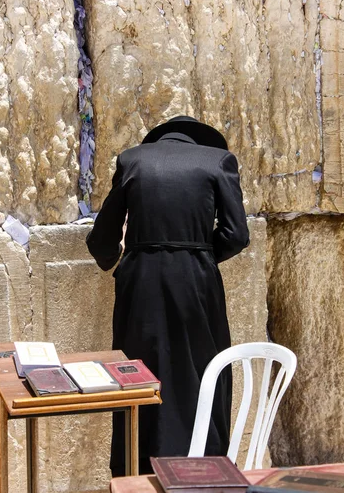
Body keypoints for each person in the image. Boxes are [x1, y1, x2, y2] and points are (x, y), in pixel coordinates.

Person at [86, 115, 249, 476]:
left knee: (137, 375)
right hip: (196, 285)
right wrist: (199, 255)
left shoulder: (132, 160)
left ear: (159, 141)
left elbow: (102, 237)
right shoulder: (218, 161)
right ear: (200, 142)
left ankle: (137, 472)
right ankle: (203, 471)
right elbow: (238, 235)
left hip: (140, 283)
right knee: (200, 372)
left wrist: (113, 258)